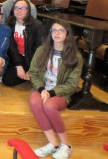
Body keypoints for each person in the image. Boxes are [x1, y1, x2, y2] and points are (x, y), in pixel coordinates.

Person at [29, 21, 83, 159]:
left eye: (61, 30)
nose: (57, 34)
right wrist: (42, 89)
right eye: (54, 30)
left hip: (61, 92)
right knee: (35, 103)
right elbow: (33, 73)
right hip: (41, 87)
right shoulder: (41, 50)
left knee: (49, 106)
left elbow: (72, 84)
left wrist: (51, 93)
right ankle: (53, 144)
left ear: (68, 34)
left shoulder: (75, 56)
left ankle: (66, 145)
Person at [2, 0, 45, 87]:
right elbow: (11, 48)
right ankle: (25, 75)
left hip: (31, 58)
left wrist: (32, 69)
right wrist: (18, 65)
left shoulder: (36, 25)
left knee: (39, 81)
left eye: (23, 8)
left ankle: (31, 75)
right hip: (16, 57)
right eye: (16, 8)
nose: (19, 11)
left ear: (28, 10)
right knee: (7, 80)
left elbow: (39, 48)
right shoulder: (9, 24)